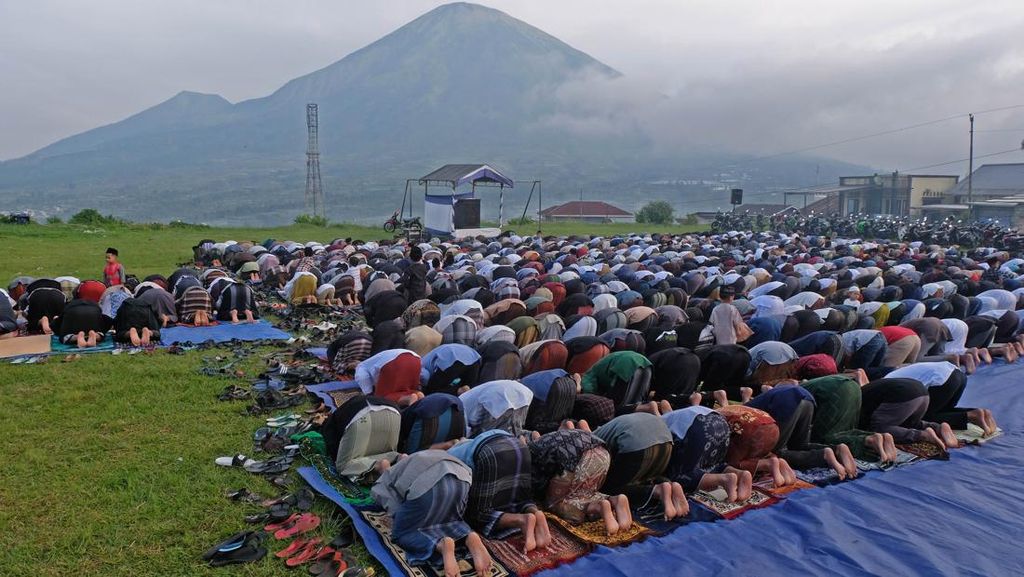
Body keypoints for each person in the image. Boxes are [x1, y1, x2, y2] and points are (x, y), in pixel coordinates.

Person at [371, 450, 493, 577]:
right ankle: (468, 536)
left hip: (427, 486)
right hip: (461, 480)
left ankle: (441, 545)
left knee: (402, 534)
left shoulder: (388, 477)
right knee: (451, 520)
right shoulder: (422, 455)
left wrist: (402, 518)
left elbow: (393, 505)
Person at [448, 431, 552, 552]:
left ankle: (522, 520)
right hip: (519, 447)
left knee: (478, 514)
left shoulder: (450, 457)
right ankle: (535, 513)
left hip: (490, 453)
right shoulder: (468, 443)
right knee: (520, 499)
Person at [528, 429, 633, 536]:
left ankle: (598, 507)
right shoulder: (540, 442)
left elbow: (534, 490)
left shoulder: (527, 459)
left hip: (574, 460)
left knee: (554, 505)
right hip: (602, 452)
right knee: (582, 494)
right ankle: (612, 500)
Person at [594, 413, 689, 521]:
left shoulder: (591, 441)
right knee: (646, 477)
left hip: (636, 444)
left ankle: (656, 491)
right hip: (666, 442)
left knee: (608, 488)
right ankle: (669, 486)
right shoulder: (607, 428)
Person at [662, 406, 753, 502]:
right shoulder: (672, 415)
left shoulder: (660, 423)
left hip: (697, 427)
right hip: (719, 421)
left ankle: (724, 480)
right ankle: (739, 474)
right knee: (713, 464)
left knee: (680, 476)